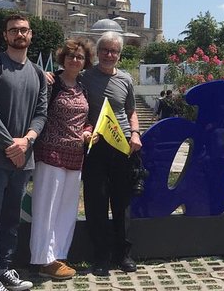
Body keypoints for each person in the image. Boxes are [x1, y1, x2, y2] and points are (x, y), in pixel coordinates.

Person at [0, 13, 47, 291]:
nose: (19, 34)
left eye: (24, 30)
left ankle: (4, 268)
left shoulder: (37, 73)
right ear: (5, 35)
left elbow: (41, 113)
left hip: (22, 160)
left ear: (30, 35)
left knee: (10, 219)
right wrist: (9, 145)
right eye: (13, 30)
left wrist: (27, 141)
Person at [29, 39, 95, 280]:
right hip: (50, 153)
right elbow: (36, 108)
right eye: (71, 56)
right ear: (63, 59)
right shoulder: (51, 83)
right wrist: (40, 74)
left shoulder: (83, 88)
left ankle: (59, 254)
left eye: (79, 57)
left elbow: (86, 119)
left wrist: (88, 130)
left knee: (67, 209)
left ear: (85, 61)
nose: (75, 60)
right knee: (47, 207)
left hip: (75, 155)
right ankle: (43, 259)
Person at [80, 31, 142, 276]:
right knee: (96, 203)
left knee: (121, 202)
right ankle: (101, 256)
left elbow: (131, 112)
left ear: (119, 55)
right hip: (96, 147)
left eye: (114, 51)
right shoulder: (86, 77)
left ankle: (123, 254)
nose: (109, 55)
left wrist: (135, 133)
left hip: (122, 145)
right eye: (105, 50)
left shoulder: (126, 79)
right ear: (98, 52)